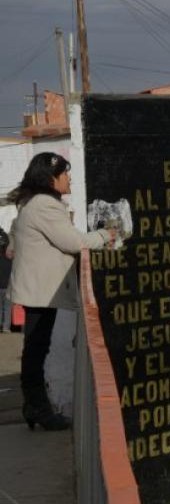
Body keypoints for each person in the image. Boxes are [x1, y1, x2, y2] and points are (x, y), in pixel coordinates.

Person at [7, 152, 114, 430]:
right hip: (41, 291)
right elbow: (73, 242)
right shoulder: (44, 205)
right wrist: (106, 236)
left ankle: (34, 405)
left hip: (37, 289)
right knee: (36, 349)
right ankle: (38, 407)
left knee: (35, 348)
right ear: (51, 178)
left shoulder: (34, 202)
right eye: (65, 174)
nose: (69, 179)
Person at [0, 228, 11, 332]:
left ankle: (3, 326)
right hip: (8, 285)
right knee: (7, 308)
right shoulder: (10, 259)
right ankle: (6, 327)